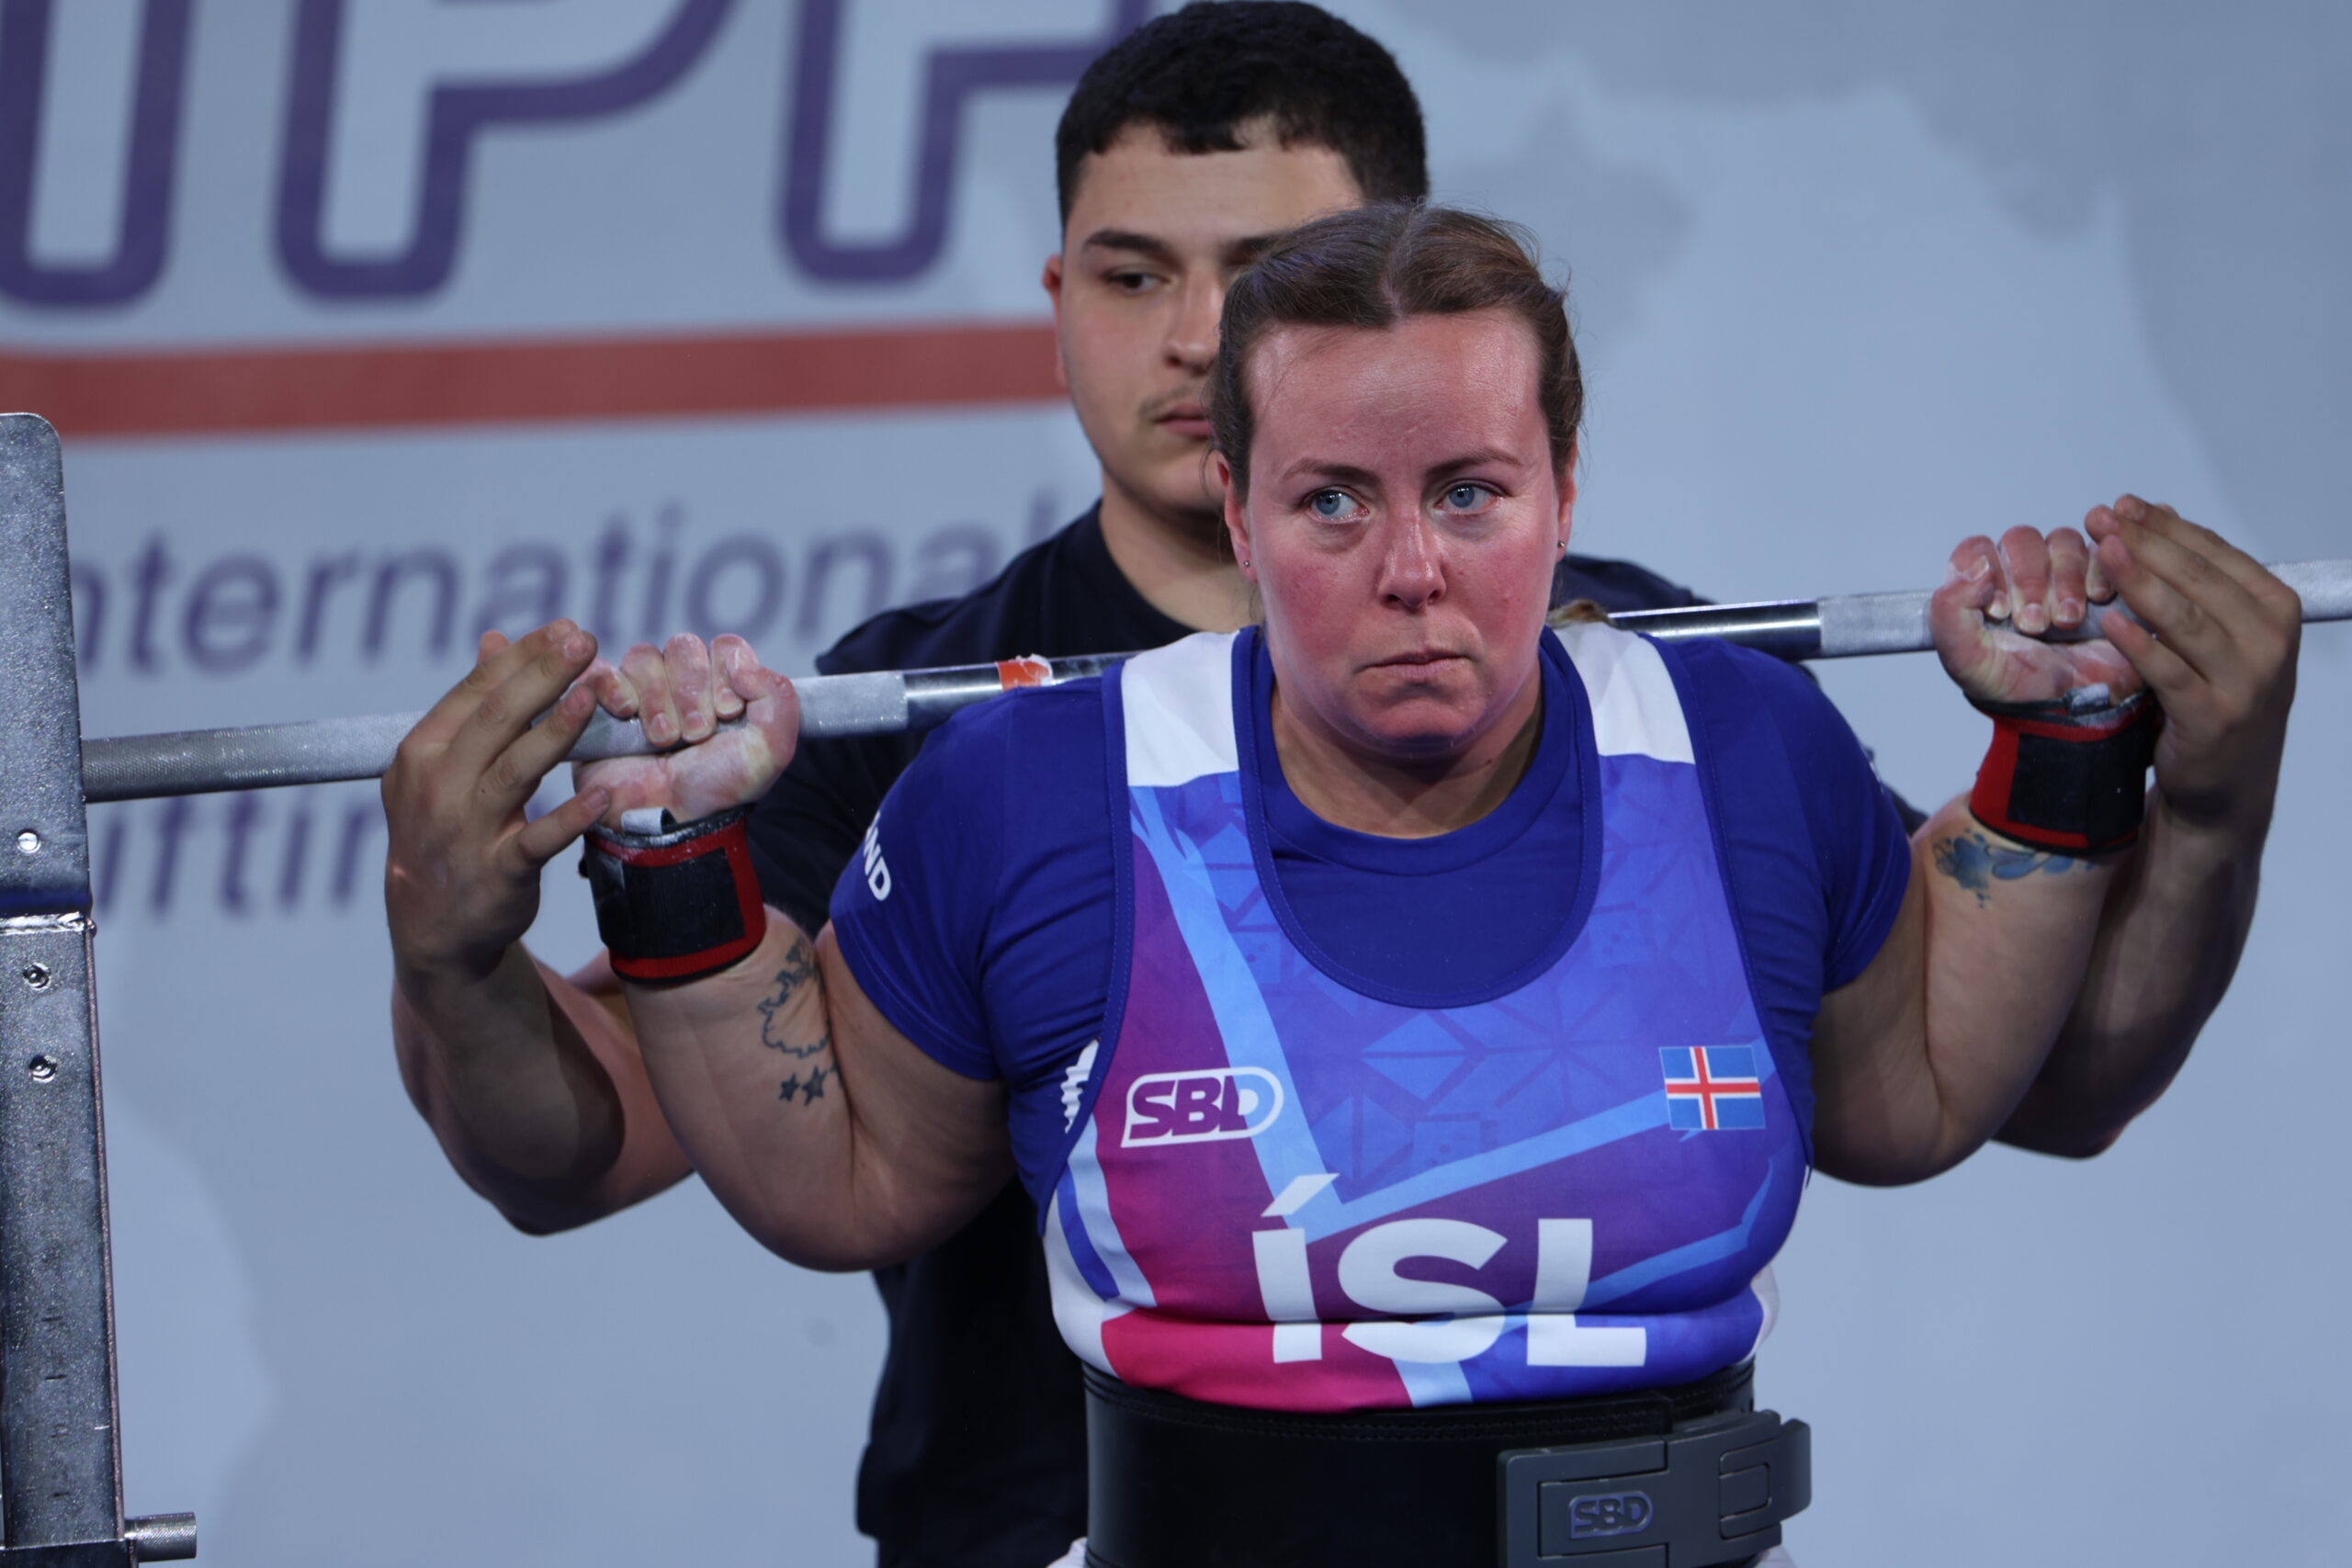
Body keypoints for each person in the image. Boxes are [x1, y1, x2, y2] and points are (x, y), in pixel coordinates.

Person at [381, 6, 2301, 1563]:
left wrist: (2173, 795)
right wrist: (464, 943)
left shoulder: (1699, 715)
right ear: (1237, 479)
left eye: (1262, 273)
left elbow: (1982, 1082)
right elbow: (625, 1145)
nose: (1192, 333)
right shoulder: (938, 733)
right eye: (1137, 272)